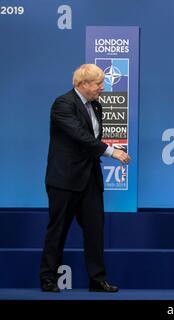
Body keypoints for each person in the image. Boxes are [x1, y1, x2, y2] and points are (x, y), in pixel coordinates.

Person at [40, 64, 131, 292]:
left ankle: (97, 280)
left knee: (95, 230)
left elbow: (89, 139)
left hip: (90, 178)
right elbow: (79, 136)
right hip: (64, 179)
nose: (103, 87)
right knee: (58, 229)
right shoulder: (63, 104)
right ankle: (48, 278)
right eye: (98, 83)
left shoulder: (97, 106)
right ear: (82, 84)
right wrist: (111, 151)